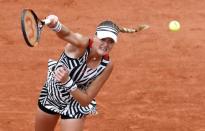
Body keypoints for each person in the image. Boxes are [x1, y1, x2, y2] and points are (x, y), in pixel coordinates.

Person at [35, 15, 149, 131]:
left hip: (76, 102)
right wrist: (55, 25)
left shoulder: (107, 66)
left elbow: (86, 100)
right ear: (94, 37)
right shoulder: (81, 44)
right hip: (53, 95)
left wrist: (67, 82)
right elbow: (67, 34)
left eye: (111, 42)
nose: (106, 45)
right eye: (103, 39)